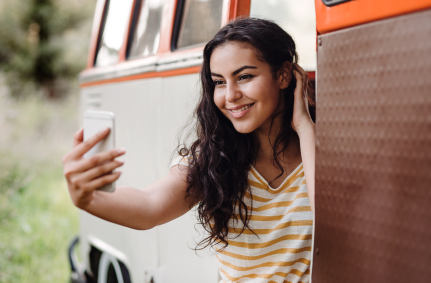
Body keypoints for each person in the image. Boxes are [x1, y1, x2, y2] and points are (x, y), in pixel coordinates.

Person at [63, 18, 316, 282]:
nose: (230, 95)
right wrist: (88, 198)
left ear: (284, 75)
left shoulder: (324, 150)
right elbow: (150, 205)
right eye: (219, 82)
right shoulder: (213, 158)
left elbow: (333, 221)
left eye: (244, 77)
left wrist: (305, 128)